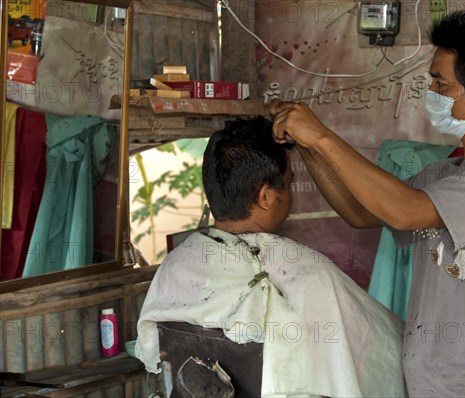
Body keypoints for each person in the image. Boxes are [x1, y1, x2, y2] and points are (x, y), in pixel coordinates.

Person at [270, 10, 465, 397]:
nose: (430, 91)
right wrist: (308, 145)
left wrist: (322, 135)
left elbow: (405, 209)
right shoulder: (443, 175)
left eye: (441, 84)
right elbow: (360, 212)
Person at [135, 116, 406, 398]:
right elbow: (387, 358)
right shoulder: (308, 275)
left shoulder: (176, 264)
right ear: (265, 197)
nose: (290, 195)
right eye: (288, 185)